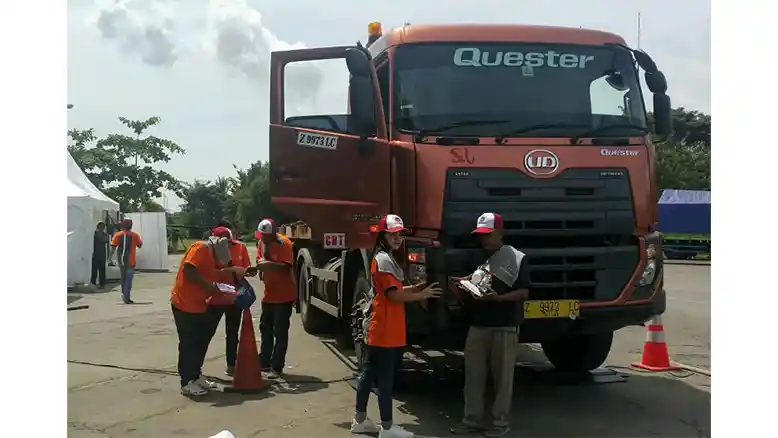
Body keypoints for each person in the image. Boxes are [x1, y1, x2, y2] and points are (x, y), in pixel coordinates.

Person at [351, 214, 443, 438]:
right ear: (383, 235)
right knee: (385, 379)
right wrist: (423, 294)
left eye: (400, 234)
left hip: (382, 328)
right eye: (392, 234)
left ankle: (360, 420)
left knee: (368, 373)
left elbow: (396, 290)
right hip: (385, 329)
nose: (398, 238)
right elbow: (393, 296)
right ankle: (387, 427)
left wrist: (418, 287)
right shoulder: (383, 260)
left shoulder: (386, 257)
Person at [449, 212, 530, 438]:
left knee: (502, 381)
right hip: (478, 326)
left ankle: (498, 424)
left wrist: (499, 299)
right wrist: (458, 287)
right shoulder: (476, 257)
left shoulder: (516, 258)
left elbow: (524, 292)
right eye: (481, 235)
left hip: (505, 326)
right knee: (473, 378)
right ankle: (471, 421)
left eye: (488, 235)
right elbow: (468, 286)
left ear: (500, 233)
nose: (484, 239)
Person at [170, 232, 256, 396]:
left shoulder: (213, 255)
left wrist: (225, 287)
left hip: (198, 305)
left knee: (199, 343)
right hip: (184, 304)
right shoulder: (201, 249)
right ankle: (187, 382)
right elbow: (189, 271)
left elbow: (214, 273)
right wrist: (210, 287)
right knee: (188, 345)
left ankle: (196, 376)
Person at [205, 221, 252, 377]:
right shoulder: (209, 250)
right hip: (214, 298)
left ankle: (231, 365)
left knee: (232, 334)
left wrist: (245, 271)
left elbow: (245, 269)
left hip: (234, 298)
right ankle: (196, 368)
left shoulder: (240, 247)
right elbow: (207, 272)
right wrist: (229, 269)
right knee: (206, 333)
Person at [255, 218, 297, 379]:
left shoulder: (284, 244)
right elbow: (259, 260)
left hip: (284, 295)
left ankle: (277, 366)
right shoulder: (261, 243)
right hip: (269, 294)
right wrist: (262, 264)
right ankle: (263, 362)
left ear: (273, 234)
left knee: (280, 332)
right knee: (265, 329)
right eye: (262, 235)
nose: (264, 238)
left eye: (266, 236)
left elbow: (286, 267)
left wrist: (266, 264)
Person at [109, 219, 143, 304]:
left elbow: (113, 247)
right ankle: (126, 296)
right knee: (128, 279)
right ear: (131, 226)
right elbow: (140, 245)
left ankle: (124, 294)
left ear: (123, 226)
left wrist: (109, 258)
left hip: (121, 260)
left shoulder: (118, 235)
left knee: (123, 278)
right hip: (131, 261)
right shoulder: (135, 235)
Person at [90, 222, 109, 288]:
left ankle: (102, 283)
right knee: (94, 270)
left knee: (102, 270)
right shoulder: (94, 234)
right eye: (101, 226)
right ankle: (93, 283)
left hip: (102, 254)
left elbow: (106, 240)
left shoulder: (104, 234)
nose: (103, 228)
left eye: (103, 227)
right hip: (95, 253)